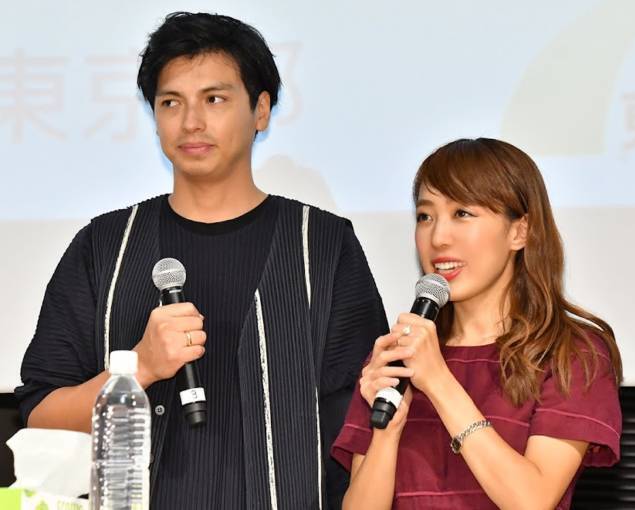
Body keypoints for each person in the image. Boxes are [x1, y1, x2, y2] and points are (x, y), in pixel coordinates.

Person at [15, 12, 387, 510]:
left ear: (261, 110)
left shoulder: (322, 245)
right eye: (171, 102)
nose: (191, 122)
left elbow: (366, 421)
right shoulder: (104, 246)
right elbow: (40, 410)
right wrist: (139, 369)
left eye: (214, 99)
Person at [332, 138, 623, 509]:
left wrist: (438, 381)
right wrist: (387, 433)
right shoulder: (399, 355)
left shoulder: (571, 353)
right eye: (425, 216)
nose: (438, 238)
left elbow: (532, 501)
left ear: (520, 231)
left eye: (462, 213)